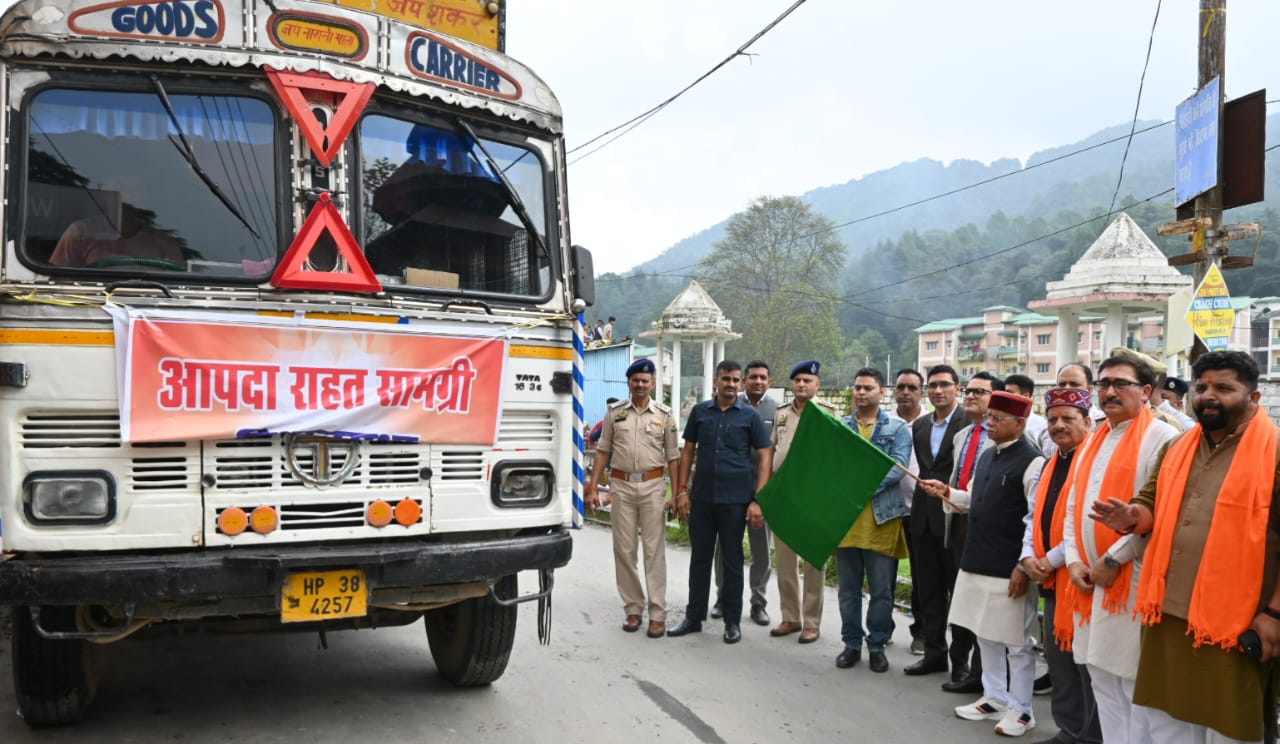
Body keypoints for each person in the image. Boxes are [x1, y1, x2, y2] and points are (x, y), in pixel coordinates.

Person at [1092, 351, 1280, 744]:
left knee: (1229, 729)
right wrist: (1133, 515)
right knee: (1166, 722)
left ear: (1255, 397)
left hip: (1237, 619)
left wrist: (1274, 614)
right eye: (1203, 387)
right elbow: (1150, 503)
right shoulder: (1178, 447)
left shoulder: (1274, 453)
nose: (1209, 396)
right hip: (1169, 609)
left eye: (1224, 388)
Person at [1061, 352, 1177, 743]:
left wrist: (1113, 559)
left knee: (1131, 683)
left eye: (1120, 384)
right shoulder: (1095, 437)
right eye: (1104, 384)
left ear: (1145, 391)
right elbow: (1073, 505)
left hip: (1131, 580)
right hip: (1089, 581)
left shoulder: (1163, 437)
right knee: (1101, 678)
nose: (1109, 391)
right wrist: (1075, 561)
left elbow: (1157, 512)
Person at [922, 391, 1046, 737]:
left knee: (1017, 643)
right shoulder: (988, 456)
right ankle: (993, 697)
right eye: (988, 417)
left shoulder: (1033, 461)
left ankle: (1021, 710)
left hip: (1008, 566)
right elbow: (973, 501)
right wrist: (946, 492)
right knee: (984, 634)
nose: (988, 423)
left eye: (997, 419)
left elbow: (1034, 520)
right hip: (976, 558)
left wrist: (1023, 566)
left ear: (1020, 423)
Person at [1018, 388, 1103, 744]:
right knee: (1059, 657)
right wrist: (1026, 558)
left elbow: (1086, 523)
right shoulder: (1049, 462)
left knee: (1085, 662)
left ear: (1087, 422)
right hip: (1050, 577)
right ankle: (1069, 729)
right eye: (1053, 419)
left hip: (1081, 577)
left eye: (1068, 418)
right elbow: (1033, 515)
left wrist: (1048, 561)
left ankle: (1092, 735)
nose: (1058, 425)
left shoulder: (1096, 462)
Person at [669, 360, 772, 644]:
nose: (730, 384)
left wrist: (758, 500)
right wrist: (681, 491)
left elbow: (765, 456)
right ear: (716, 381)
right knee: (699, 559)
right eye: (726, 379)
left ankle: (731, 620)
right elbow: (688, 451)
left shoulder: (749, 416)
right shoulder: (701, 412)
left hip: (735, 500)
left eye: (735, 380)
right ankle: (694, 617)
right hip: (701, 498)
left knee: (733, 560)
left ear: (739, 384)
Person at [585, 363, 679, 638]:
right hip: (621, 486)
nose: (640, 385)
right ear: (628, 382)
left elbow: (673, 456)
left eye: (645, 381)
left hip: (652, 486)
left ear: (652, 384)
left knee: (654, 551)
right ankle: (633, 609)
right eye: (636, 380)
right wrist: (593, 487)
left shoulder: (665, 415)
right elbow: (602, 451)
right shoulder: (616, 414)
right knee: (624, 550)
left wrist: (678, 492)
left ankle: (658, 614)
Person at [835, 367, 911, 672]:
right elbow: (834, 465)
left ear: (882, 392)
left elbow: (899, 466)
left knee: (882, 591)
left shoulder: (898, 428)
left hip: (883, 520)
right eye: (857, 388)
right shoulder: (841, 427)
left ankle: (877, 644)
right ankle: (851, 643)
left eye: (868, 388)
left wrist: (861, 485)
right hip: (846, 523)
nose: (861, 392)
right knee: (847, 590)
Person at [940, 371, 1007, 695]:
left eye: (980, 391)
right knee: (961, 597)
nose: (970, 396)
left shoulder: (1009, 441)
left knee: (986, 605)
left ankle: (986, 676)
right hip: (959, 522)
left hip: (991, 531)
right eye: (968, 390)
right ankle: (960, 666)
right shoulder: (963, 434)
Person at [904, 364, 970, 678]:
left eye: (945, 384)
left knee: (958, 590)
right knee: (927, 588)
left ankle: (960, 661)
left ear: (958, 387)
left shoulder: (969, 424)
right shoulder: (919, 427)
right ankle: (933, 653)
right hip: (922, 517)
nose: (938, 390)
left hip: (954, 516)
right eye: (933, 385)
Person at [769, 360, 835, 644]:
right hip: (785, 496)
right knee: (784, 561)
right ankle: (790, 616)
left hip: (814, 498)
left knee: (813, 563)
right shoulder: (781, 413)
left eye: (807, 380)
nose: (801, 385)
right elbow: (773, 448)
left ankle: (811, 622)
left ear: (817, 385)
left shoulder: (828, 414)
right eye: (797, 380)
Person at [711, 360, 776, 626]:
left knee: (761, 551)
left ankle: (758, 602)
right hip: (731, 490)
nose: (757, 382)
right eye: (752, 377)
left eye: (763, 377)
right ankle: (722, 597)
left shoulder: (778, 410)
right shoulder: (728, 405)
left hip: (763, 492)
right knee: (725, 547)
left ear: (769, 382)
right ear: (743, 381)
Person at [892, 368, 930, 655]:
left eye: (912, 388)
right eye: (901, 387)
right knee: (883, 575)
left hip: (921, 512)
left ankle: (923, 632)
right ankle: (880, 630)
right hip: (889, 510)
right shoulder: (886, 422)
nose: (906, 392)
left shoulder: (932, 422)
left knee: (923, 576)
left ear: (922, 392)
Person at [50, 203, 186, 268]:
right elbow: (58, 279)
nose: (129, 197)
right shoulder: (81, 231)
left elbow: (181, 283)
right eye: (122, 188)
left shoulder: (163, 242)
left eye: (136, 190)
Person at [1006, 374, 1052, 457]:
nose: (1006, 398)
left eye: (1010, 393)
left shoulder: (1043, 427)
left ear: (1025, 396)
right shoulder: (1001, 422)